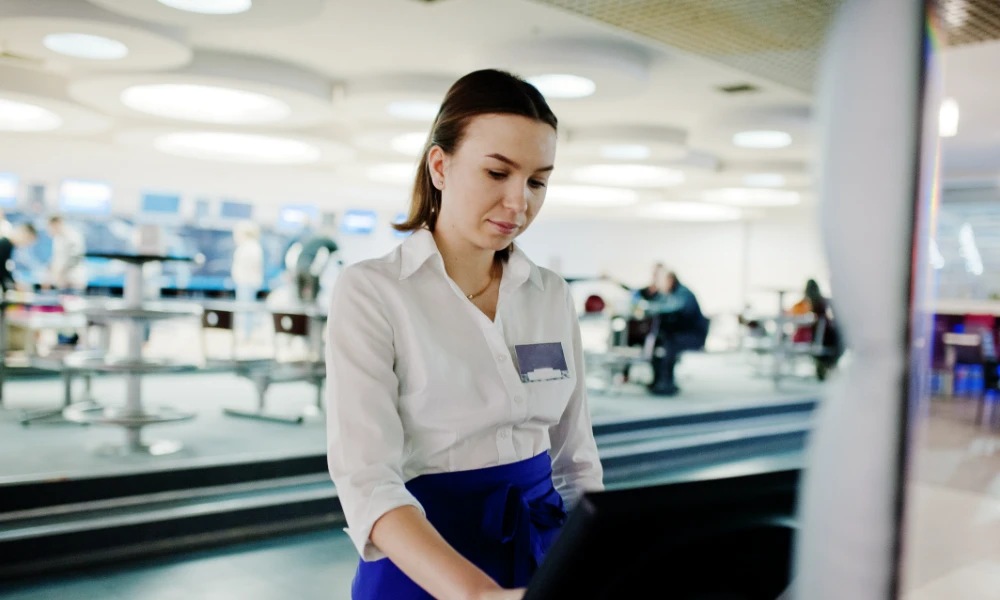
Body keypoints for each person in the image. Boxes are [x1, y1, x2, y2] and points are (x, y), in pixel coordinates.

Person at [326, 69, 604, 600]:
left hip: (540, 554)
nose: (518, 203)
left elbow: (575, 460)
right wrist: (478, 595)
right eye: (497, 172)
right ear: (440, 166)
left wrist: (596, 565)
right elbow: (366, 479)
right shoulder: (374, 292)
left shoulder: (550, 295)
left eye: (537, 181)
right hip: (422, 559)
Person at [645, 271, 709, 396]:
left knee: (670, 343)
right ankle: (658, 380)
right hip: (680, 333)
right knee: (658, 342)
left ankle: (667, 383)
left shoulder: (683, 293)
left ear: (670, 281)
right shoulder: (671, 293)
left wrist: (652, 308)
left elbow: (673, 307)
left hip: (693, 335)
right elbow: (660, 303)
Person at [790, 279, 842, 380]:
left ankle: (825, 366)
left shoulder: (804, 304)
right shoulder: (820, 303)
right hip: (821, 337)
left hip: (815, 337)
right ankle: (826, 365)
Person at [285, 225, 338, 305]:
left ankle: (300, 305)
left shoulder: (313, 241)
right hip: (307, 268)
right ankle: (312, 304)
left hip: (299, 267)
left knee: (300, 289)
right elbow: (334, 248)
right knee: (314, 283)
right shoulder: (326, 241)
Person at [231, 220, 264, 340]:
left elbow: (252, 266)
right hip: (244, 282)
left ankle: (247, 335)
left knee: (246, 310)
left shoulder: (251, 247)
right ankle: (245, 334)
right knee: (244, 309)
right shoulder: (248, 246)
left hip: (247, 282)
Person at [46, 215, 87, 293]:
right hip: (62, 282)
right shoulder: (57, 238)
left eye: (51, 227)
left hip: (74, 281)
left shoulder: (73, 236)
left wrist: (61, 272)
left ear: (58, 223)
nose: (50, 230)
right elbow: (56, 258)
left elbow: (76, 257)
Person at [0, 223, 38, 292]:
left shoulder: (9, 246)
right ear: (24, 234)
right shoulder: (4, 244)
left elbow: (3, 268)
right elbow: (1, 269)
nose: (25, 244)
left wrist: (14, 283)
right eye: (28, 241)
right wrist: (13, 285)